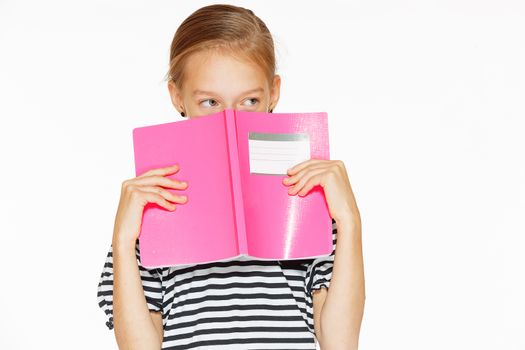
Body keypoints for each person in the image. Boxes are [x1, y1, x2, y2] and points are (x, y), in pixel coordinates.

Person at [96, 4, 365, 349]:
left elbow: (340, 342)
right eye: (210, 102)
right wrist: (123, 238)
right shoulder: (156, 201)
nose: (229, 120)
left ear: (273, 93)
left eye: (249, 100)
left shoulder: (305, 195)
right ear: (178, 97)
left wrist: (350, 221)